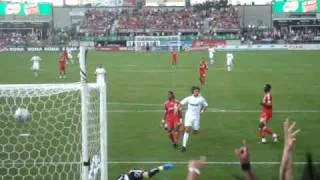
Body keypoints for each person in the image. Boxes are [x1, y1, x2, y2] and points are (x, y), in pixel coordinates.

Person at [180, 86, 208, 152]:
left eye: (198, 91)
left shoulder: (201, 99)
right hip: (189, 115)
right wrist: (178, 108)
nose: (197, 92)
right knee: (187, 130)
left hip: (196, 116)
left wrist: (202, 111)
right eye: (195, 91)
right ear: (193, 92)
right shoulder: (189, 98)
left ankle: (195, 129)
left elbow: (206, 106)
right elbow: (181, 103)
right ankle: (184, 146)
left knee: (196, 131)